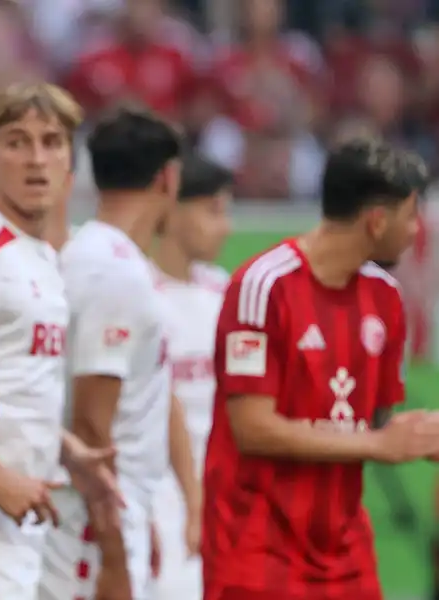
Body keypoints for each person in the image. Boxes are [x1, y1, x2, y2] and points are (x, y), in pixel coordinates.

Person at [202, 138, 439, 600]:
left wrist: (421, 435)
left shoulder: (385, 298)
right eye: (411, 215)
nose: (416, 231)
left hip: (344, 551)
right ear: (376, 221)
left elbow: (371, 420)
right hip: (257, 548)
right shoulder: (262, 286)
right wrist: (377, 442)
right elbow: (251, 428)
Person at [0, 83, 121, 600]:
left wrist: (65, 449)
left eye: (52, 141)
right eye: (17, 142)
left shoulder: (33, 252)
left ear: (69, 160)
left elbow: (4, 382)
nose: (37, 159)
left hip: (14, 519)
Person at [48, 106, 189, 600]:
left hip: (105, 510)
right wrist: (113, 550)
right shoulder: (115, 274)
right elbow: (90, 424)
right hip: (92, 524)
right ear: (168, 178)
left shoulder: (94, 254)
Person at [148, 156, 233, 600]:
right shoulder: (139, 292)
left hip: (226, 492)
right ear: (174, 211)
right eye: (213, 211)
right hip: (158, 494)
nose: (226, 227)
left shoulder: (225, 292)